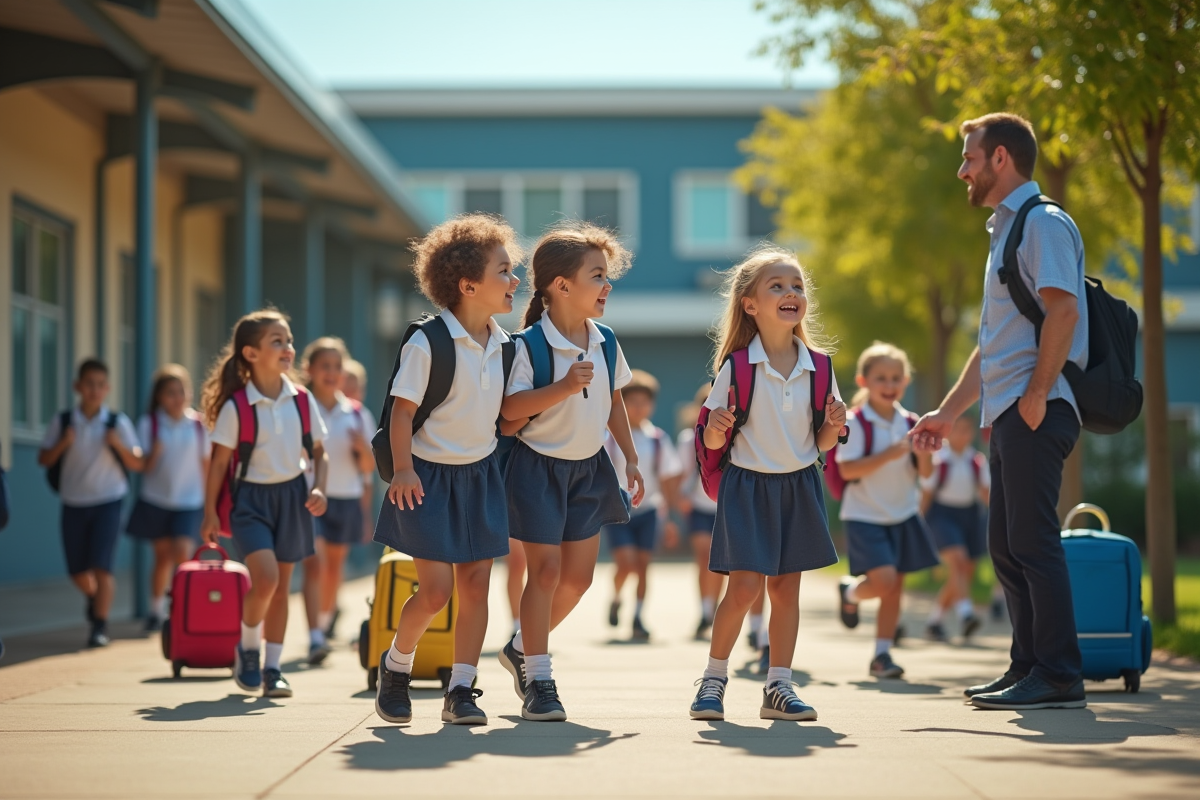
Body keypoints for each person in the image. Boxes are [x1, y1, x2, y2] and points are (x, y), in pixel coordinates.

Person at [913, 112, 1088, 711]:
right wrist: (947, 412)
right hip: (1011, 410)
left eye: (969, 158)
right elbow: (994, 346)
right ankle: (1029, 666)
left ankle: (1060, 671)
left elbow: (1063, 313)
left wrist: (1037, 393)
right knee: (1008, 547)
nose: (962, 169)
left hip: (1037, 409)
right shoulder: (1006, 232)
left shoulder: (1043, 224)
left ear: (1001, 159)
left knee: (1034, 543)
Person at [372, 214, 522, 726]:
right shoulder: (428, 341)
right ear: (468, 284)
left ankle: (461, 690)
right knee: (436, 591)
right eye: (504, 271)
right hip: (426, 479)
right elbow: (401, 412)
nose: (514, 281)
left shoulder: (506, 344)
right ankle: (396, 666)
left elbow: (507, 415)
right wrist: (404, 471)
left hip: (479, 477)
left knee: (476, 586)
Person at [689, 245, 846, 722]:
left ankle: (779, 686)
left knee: (786, 592)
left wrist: (833, 427)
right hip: (748, 487)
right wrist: (716, 427)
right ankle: (713, 680)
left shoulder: (820, 367)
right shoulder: (737, 368)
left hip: (798, 486)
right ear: (750, 304)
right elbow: (713, 435)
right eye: (776, 286)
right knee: (743, 591)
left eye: (797, 286)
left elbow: (820, 442)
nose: (790, 293)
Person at [499, 220, 644, 722]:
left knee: (578, 581)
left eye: (607, 277)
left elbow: (613, 399)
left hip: (589, 470)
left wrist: (629, 456)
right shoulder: (528, 346)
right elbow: (509, 416)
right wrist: (561, 386)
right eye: (597, 276)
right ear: (561, 286)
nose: (607, 287)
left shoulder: (605, 340)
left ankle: (520, 647)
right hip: (537, 470)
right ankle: (539, 678)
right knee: (544, 572)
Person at [200, 309, 330, 699]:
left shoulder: (303, 401)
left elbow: (320, 453)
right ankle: (249, 651)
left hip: (292, 497)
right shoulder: (237, 407)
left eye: (289, 340)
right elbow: (219, 463)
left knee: (282, 586)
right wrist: (209, 512)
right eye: (277, 341)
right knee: (267, 580)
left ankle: (273, 668)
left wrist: (319, 487)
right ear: (251, 353)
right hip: (251, 501)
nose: (288, 348)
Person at [835, 343, 938, 679]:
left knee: (895, 587)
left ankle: (882, 655)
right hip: (865, 515)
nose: (889, 384)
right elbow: (848, 471)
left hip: (904, 513)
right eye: (881, 377)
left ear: (905, 381)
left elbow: (925, 474)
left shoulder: (911, 422)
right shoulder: (854, 421)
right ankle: (850, 591)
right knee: (884, 580)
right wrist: (891, 453)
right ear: (863, 381)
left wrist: (924, 452)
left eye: (896, 377)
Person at [38, 359, 144, 648]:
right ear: (78, 387)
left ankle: (99, 626)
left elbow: (137, 462)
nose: (94, 390)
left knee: (102, 567)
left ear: (107, 389)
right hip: (73, 502)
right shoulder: (63, 422)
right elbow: (44, 459)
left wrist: (118, 445)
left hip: (109, 501)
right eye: (89, 384)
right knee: (77, 572)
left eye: (100, 385)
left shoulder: (117, 422)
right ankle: (94, 597)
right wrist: (63, 443)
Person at [301, 337, 376, 664]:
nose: (331, 373)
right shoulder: (301, 407)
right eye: (325, 366)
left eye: (337, 366)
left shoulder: (358, 414)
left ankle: (325, 620)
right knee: (314, 564)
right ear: (310, 370)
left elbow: (370, 468)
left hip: (345, 497)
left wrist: (362, 448)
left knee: (333, 567)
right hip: (308, 496)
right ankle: (315, 636)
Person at [125, 365, 209, 632]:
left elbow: (207, 465)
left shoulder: (199, 424)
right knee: (162, 557)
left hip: (190, 501)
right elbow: (143, 467)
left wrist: (211, 504)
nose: (176, 397)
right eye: (170, 392)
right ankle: (156, 610)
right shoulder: (149, 423)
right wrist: (155, 454)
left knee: (183, 554)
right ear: (160, 396)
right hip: (157, 499)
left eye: (181, 391)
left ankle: (182, 608)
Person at [603, 369, 684, 641]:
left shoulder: (658, 440)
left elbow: (668, 479)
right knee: (625, 562)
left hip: (650, 509)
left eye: (644, 402)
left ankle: (638, 616)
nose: (638, 408)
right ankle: (616, 597)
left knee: (643, 565)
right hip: (619, 510)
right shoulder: (609, 438)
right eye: (632, 402)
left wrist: (671, 518)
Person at [920, 414, 990, 641]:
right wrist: (917, 525)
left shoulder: (977, 461)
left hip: (969, 516)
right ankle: (966, 614)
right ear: (948, 432)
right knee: (958, 561)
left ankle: (934, 622)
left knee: (965, 571)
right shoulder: (939, 460)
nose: (962, 434)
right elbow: (927, 495)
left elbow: (985, 494)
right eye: (957, 429)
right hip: (942, 516)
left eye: (967, 429)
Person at [675, 383, 725, 640]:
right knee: (703, 557)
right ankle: (705, 611)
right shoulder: (689, 438)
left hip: (726, 508)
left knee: (721, 565)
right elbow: (682, 473)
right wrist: (680, 497)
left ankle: (715, 610)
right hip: (699, 505)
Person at [340, 359, 377, 555]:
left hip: (349, 499)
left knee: (335, 561)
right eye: (348, 386)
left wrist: (365, 516)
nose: (353, 392)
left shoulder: (362, 417)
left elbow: (368, 476)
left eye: (358, 387)